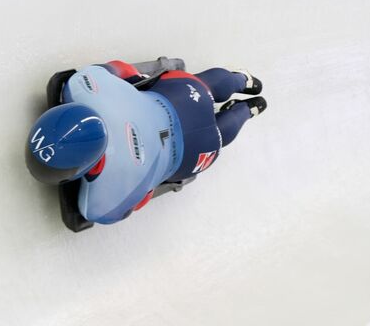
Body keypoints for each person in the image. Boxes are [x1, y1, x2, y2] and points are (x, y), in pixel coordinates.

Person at [25, 58, 267, 225]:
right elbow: (121, 69)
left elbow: (138, 201)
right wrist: (137, 82)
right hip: (181, 95)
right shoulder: (82, 85)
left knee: (218, 137)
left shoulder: (100, 204)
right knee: (201, 84)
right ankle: (241, 81)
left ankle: (248, 111)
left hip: (193, 151)